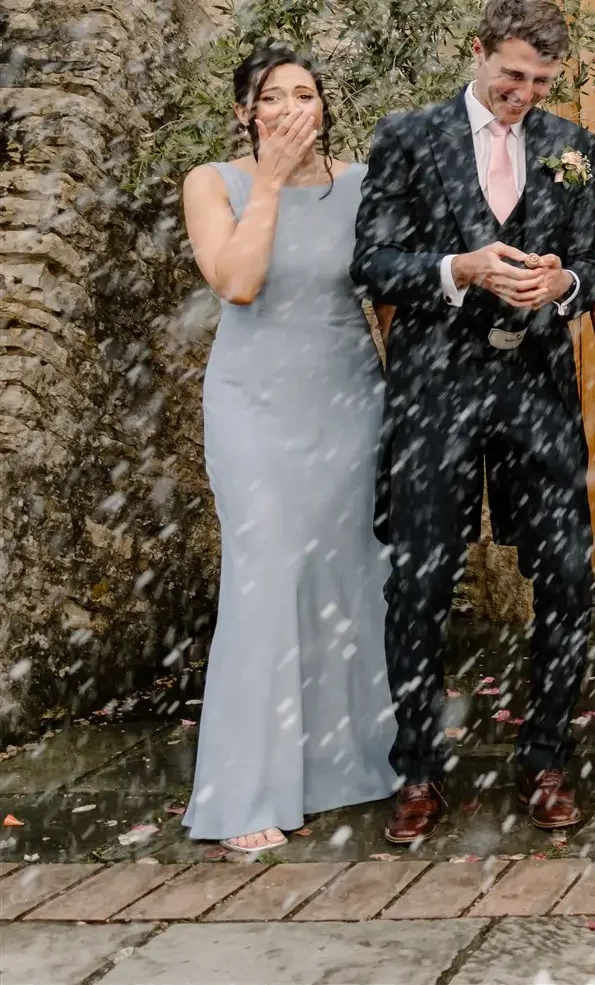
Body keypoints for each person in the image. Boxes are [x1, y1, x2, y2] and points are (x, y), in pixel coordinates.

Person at [353, 0, 595, 844]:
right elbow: (374, 261)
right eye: (511, 75)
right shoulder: (408, 136)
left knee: (568, 578)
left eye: (539, 80)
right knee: (420, 581)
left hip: (538, 390)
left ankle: (545, 759)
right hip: (436, 389)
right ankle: (418, 770)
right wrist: (458, 267)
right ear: (477, 51)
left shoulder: (575, 147)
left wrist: (562, 284)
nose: (523, 94)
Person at [180, 44, 397, 854]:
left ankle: (341, 767)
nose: (293, 108)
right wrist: (268, 181)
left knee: (346, 576)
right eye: (274, 97)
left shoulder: (364, 183)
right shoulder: (216, 182)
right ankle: (246, 792)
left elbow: (386, 302)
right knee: (264, 576)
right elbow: (236, 279)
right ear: (246, 113)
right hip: (253, 406)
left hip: (347, 400)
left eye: (305, 93)